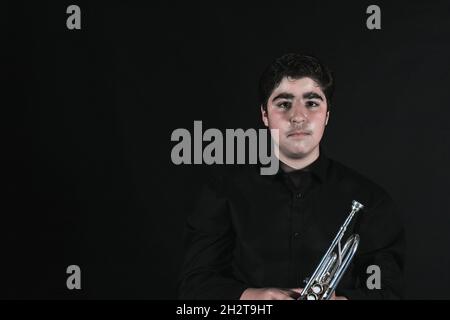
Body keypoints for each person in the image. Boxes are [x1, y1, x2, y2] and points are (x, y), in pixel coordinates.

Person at [177, 53, 405, 300]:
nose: (298, 116)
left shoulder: (371, 200)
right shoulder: (224, 192)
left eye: (312, 103)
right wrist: (253, 297)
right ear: (265, 115)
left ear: (327, 115)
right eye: (284, 103)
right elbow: (194, 287)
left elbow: (388, 291)